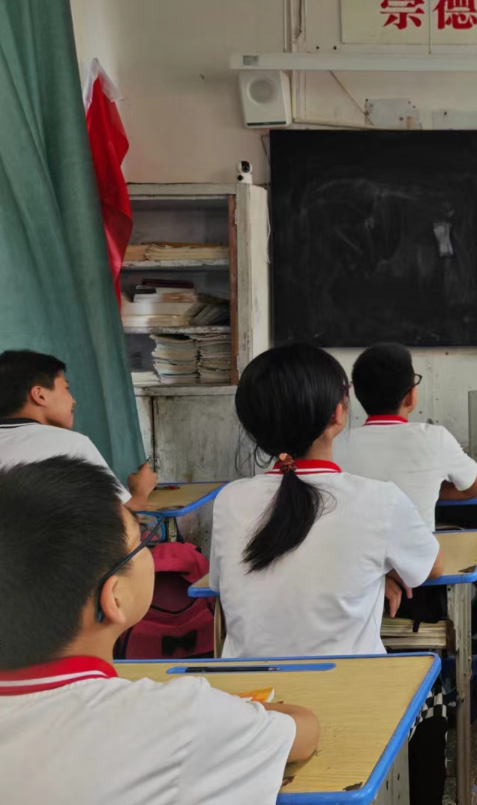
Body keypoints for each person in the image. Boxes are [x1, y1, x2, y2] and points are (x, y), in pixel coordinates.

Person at [0, 457, 318, 805]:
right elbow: (303, 732)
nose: (150, 553)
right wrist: (230, 710)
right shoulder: (176, 716)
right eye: (141, 543)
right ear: (114, 598)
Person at [208, 344, 443, 658]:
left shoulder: (229, 500)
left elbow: (222, 584)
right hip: (351, 685)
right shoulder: (381, 500)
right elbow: (433, 568)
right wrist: (377, 569)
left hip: (251, 686)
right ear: (338, 412)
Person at [334, 342, 477, 535]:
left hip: (358, 552)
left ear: (357, 394)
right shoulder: (435, 438)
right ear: (410, 397)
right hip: (419, 554)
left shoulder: (336, 444)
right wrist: (425, 488)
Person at [0, 349, 156, 510]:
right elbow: (126, 514)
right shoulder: (70, 444)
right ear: (40, 395)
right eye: (66, 388)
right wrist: (141, 489)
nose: (73, 401)